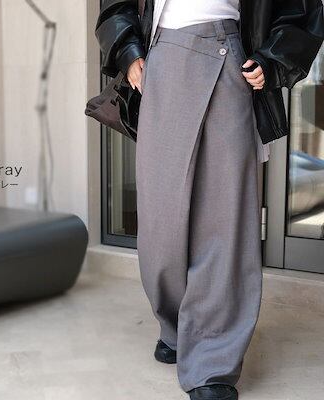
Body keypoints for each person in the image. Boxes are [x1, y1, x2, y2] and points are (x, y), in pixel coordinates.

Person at [95, 1, 324, 399]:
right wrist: (129, 53)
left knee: (223, 219)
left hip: (228, 57)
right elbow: (117, 4)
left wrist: (271, 60)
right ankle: (176, 325)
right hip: (161, 59)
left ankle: (212, 359)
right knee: (161, 223)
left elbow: (302, 8)